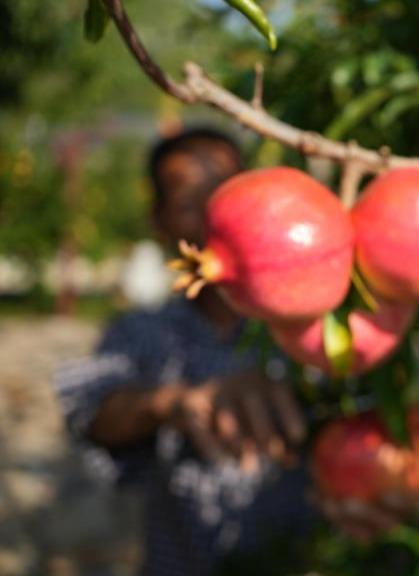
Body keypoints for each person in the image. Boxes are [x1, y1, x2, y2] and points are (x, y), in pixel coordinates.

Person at [54, 127, 397, 576]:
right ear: (159, 222)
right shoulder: (143, 331)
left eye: (225, 196)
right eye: (186, 205)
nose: (212, 219)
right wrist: (169, 402)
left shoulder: (319, 325)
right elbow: (90, 411)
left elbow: (374, 420)